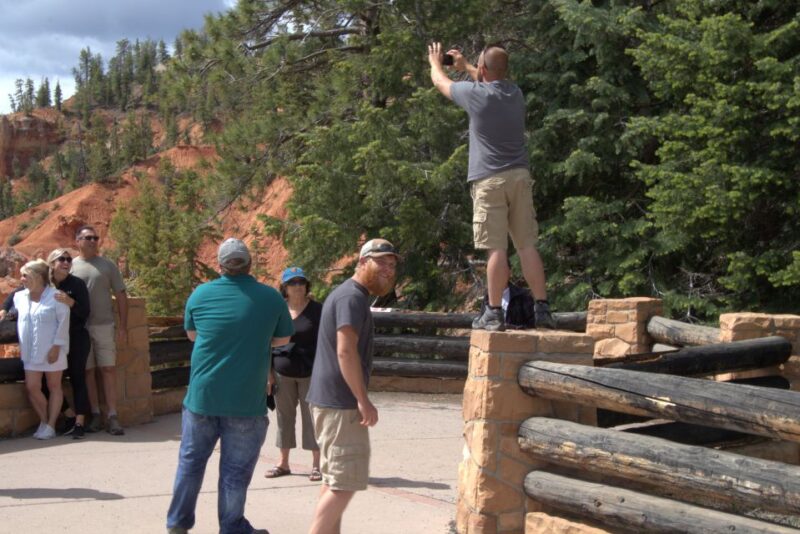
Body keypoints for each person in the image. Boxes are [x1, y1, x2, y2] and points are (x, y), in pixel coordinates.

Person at [166, 238, 294, 534]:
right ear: (250, 264)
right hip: (246, 401)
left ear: (219, 265)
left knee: (191, 462)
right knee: (235, 471)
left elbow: (192, 335)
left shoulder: (200, 294)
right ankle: (232, 526)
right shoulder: (271, 298)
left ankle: (177, 524)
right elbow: (283, 339)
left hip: (203, 397)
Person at [428, 41, 556, 331]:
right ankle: (543, 309)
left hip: (489, 180)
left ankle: (494, 312)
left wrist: (437, 63)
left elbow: (441, 82)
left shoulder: (475, 95)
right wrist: (467, 67)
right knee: (526, 245)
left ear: (483, 68)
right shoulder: (515, 94)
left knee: (496, 248)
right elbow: (489, 77)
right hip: (520, 178)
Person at [306, 238, 399, 534]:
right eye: (381, 261)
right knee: (345, 484)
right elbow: (345, 351)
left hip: (330, 402)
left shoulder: (350, 294)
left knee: (335, 481)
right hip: (340, 405)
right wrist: (363, 399)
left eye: (392, 264)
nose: (388, 269)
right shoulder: (352, 297)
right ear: (362, 262)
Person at [265, 266, 323, 482]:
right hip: (282, 371)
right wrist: (268, 373)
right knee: (284, 418)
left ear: (307, 286)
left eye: (301, 282)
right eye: (293, 283)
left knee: (313, 419)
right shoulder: (277, 310)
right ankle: (283, 463)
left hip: (311, 372)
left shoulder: (318, 310)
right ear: (285, 287)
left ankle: (317, 465)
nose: (297, 287)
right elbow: (266, 342)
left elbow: (328, 342)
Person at [71, 225, 128, 435]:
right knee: (88, 372)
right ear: (77, 241)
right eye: (88, 238)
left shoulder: (107, 265)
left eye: (95, 238)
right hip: (81, 328)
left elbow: (121, 295)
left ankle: (112, 415)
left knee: (108, 369)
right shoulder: (71, 266)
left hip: (104, 325)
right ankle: (95, 414)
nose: (93, 241)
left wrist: (123, 326)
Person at [14, 259, 70, 440]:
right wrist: (3, 311)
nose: (22, 279)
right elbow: (8, 306)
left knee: (54, 386)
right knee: (32, 387)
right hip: (30, 351)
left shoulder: (56, 296)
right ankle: (44, 421)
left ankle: (52, 424)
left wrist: (56, 346)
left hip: (52, 350)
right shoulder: (19, 297)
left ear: (38, 277)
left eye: (25, 275)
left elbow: (63, 322)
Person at [47, 248, 92, 439]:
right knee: (46, 380)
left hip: (76, 339)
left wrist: (71, 302)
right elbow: (19, 293)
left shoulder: (77, 284)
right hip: (52, 342)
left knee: (77, 378)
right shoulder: (45, 284)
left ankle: (80, 422)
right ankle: (69, 415)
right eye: (61, 259)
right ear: (51, 263)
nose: (66, 262)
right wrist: (6, 310)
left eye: (68, 259)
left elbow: (85, 312)